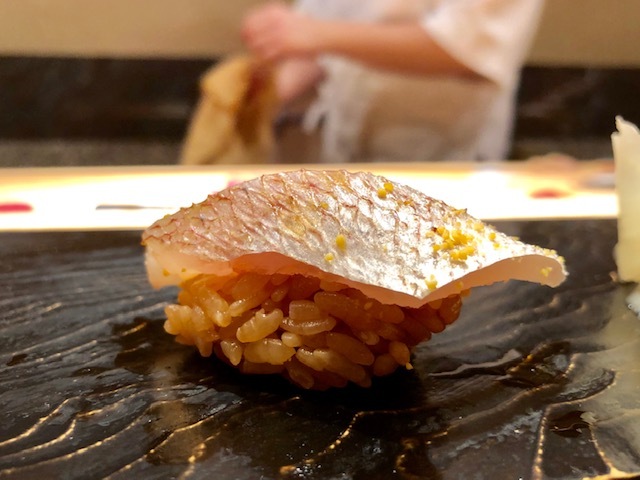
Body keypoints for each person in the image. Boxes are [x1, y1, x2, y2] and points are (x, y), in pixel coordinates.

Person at [241, 0, 546, 163]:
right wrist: (266, 95)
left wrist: (314, 33)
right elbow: (321, 39)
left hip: (444, 160)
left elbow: (467, 47)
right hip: (345, 154)